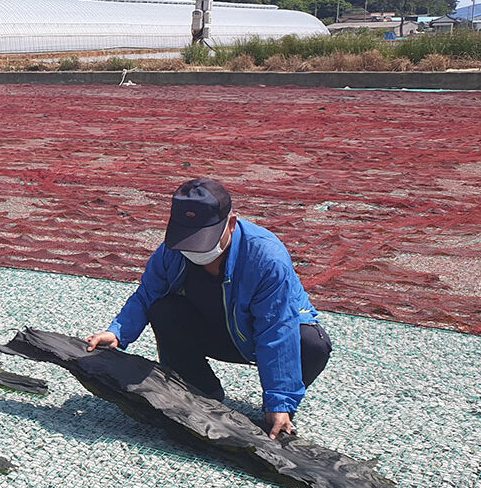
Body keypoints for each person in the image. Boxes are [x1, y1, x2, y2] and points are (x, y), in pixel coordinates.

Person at [85, 178, 333, 439]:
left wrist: (279, 402)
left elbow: (276, 329)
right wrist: (117, 332)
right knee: (163, 308)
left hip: (258, 336)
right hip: (215, 331)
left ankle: (277, 415)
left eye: (203, 240)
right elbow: (148, 293)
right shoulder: (173, 251)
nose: (195, 250)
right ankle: (201, 391)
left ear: (232, 223)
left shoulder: (267, 258)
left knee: (312, 344)